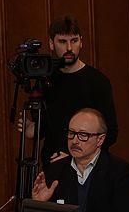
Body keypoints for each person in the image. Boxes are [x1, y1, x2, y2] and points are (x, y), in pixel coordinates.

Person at [21, 14, 118, 165]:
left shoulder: (97, 82)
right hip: (53, 164)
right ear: (51, 44)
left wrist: (75, 157)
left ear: (81, 42)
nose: (69, 48)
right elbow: (50, 127)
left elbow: (110, 132)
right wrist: (34, 130)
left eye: (74, 41)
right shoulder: (45, 80)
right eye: (62, 41)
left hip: (87, 168)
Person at [31, 108, 129, 212]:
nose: (74, 141)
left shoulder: (120, 171)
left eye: (83, 135)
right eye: (71, 133)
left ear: (100, 140)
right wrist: (39, 205)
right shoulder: (56, 169)